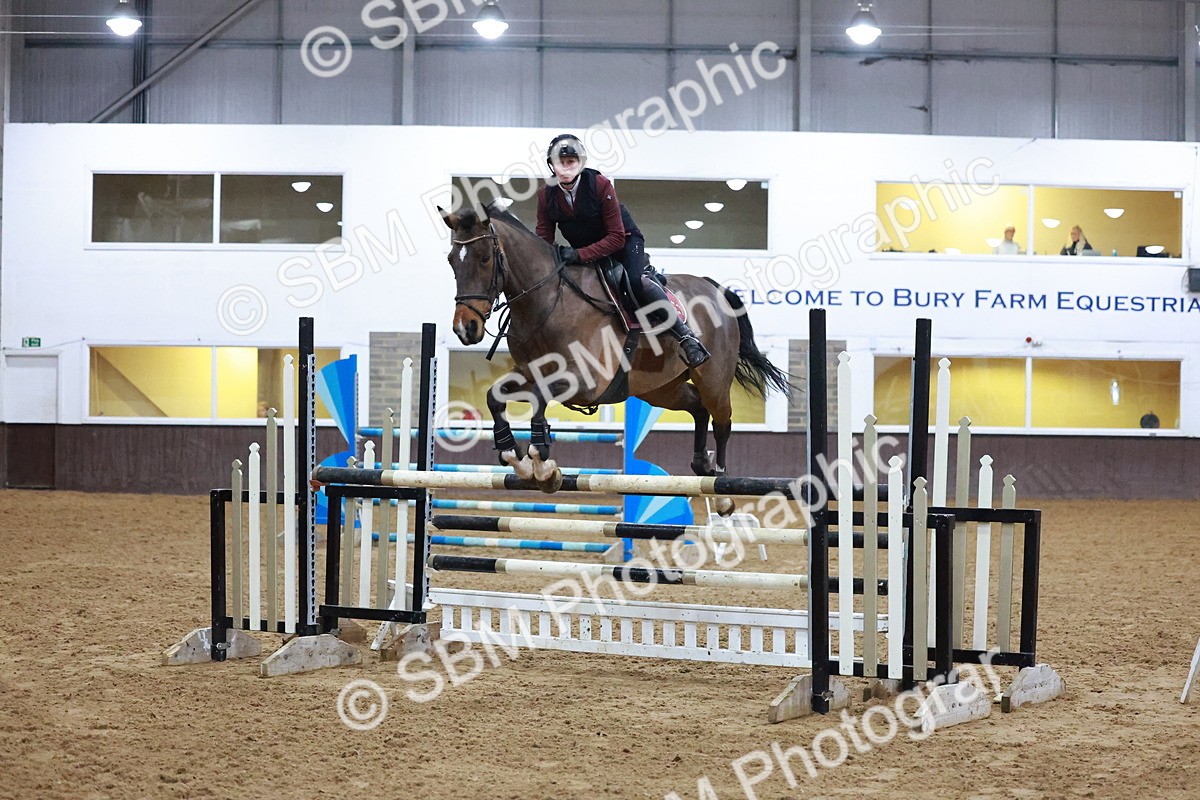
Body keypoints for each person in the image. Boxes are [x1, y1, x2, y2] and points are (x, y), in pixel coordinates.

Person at [535, 133, 710, 368]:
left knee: (637, 282)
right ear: (551, 165)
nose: (565, 168)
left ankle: (687, 337)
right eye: (560, 162)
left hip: (624, 242)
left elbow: (616, 238)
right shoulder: (546, 195)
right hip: (585, 251)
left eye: (571, 162)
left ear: (580, 163)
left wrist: (578, 255)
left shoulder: (599, 185)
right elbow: (543, 239)